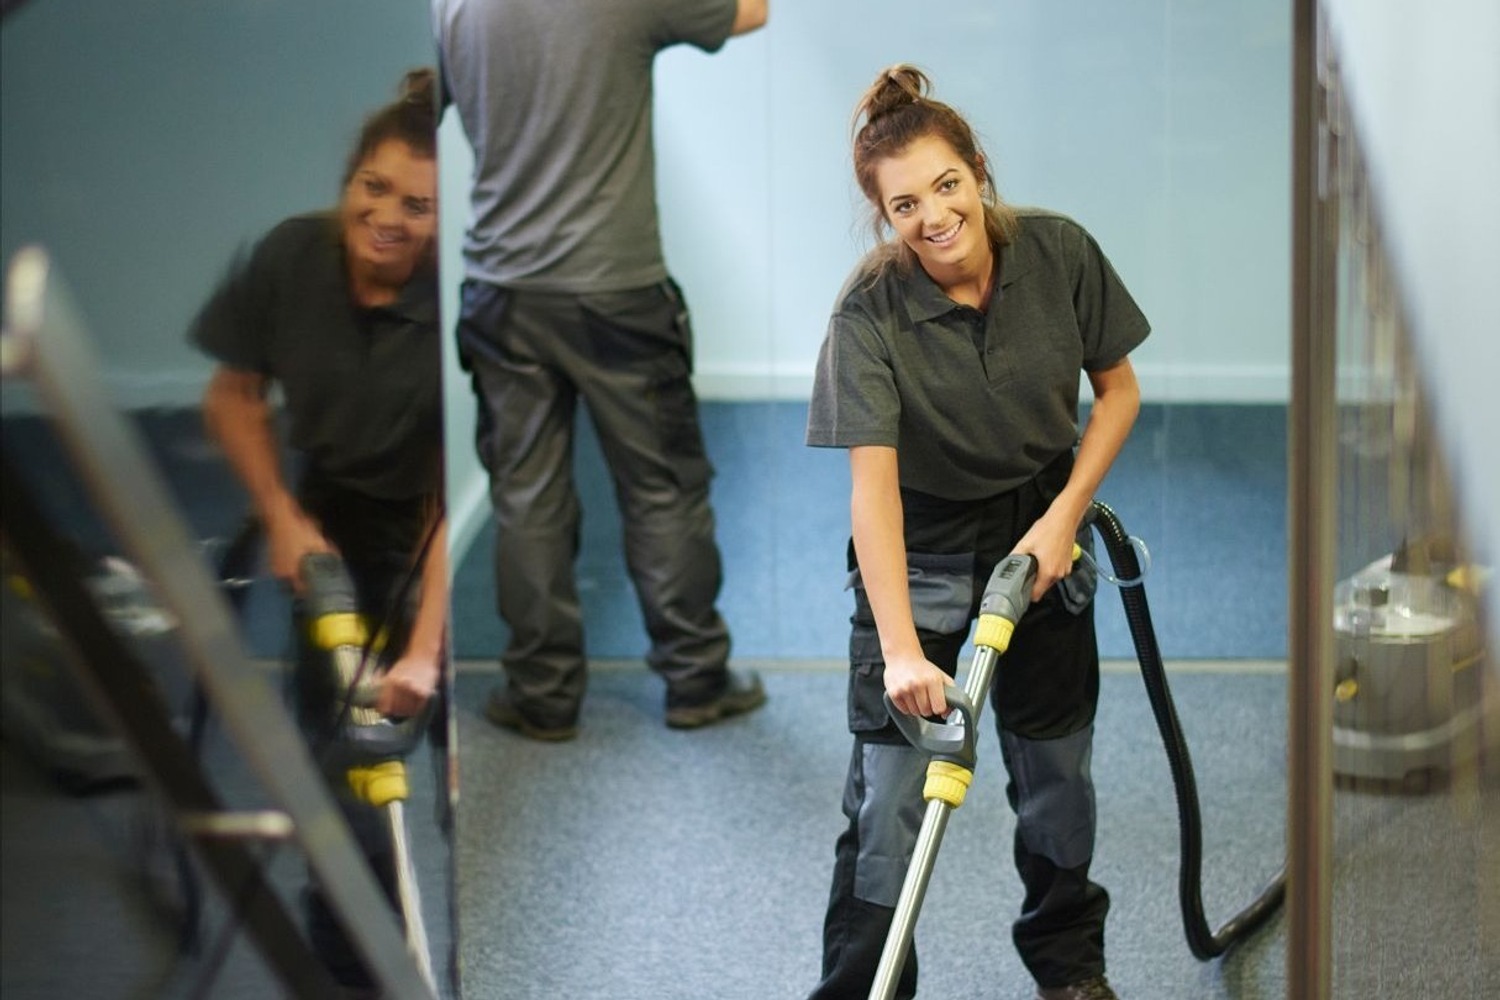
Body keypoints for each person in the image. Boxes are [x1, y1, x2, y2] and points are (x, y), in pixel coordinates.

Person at [803, 65, 1149, 1000]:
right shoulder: (868, 310)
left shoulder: (1059, 252)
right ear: (884, 215)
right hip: (920, 545)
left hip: (1043, 527)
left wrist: (1061, 519)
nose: (934, 216)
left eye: (946, 184)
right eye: (904, 204)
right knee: (889, 805)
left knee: (1057, 778)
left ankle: (1070, 970)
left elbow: (1118, 393)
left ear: (979, 170)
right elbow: (873, 494)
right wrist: (902, 654)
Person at [435, 0, 770, 740]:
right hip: (617, 292)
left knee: (525, 498)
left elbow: (405, 104)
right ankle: (695, 681)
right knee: (662, 488)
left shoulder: (450, 6)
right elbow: (752, 12)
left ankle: (542, 695)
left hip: (500, 291)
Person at [191, 68, 447, 993]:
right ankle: (347, 957)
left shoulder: (458, 297)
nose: (387, 216)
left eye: (417, 204)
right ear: (349, 180)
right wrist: (283, 516)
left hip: (429, 528)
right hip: (329, 515)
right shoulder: (293, 256)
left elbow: (455, 494)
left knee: (433, 748)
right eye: (373, 187)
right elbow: (234, 396)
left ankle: (457, 943)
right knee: (338, 753)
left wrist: (423, 651)